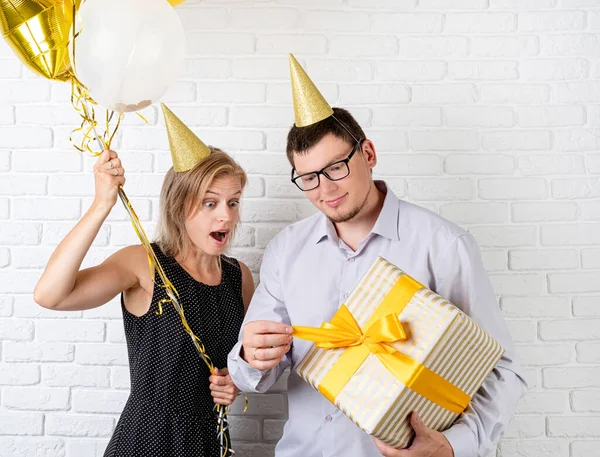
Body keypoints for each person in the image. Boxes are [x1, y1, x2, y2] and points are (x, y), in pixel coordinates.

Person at [227, 55, 527, 457]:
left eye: (335, 167)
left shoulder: (443, 245)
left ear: (367, 154)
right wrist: (251, 356)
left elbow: (502, 369)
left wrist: (453, 447)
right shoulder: (287, 250)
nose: (325, 189)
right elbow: (251, 373)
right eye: (309, 178)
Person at [34, 104, 254, 457]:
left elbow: (241, 367)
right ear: (179, 206)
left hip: (209, 444)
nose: (226, 216)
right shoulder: (145, 263)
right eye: (210, 203)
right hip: (145, 442)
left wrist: (234, 385)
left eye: (233, 202)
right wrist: (101, 204)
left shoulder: (238, 277)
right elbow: (50, 295)